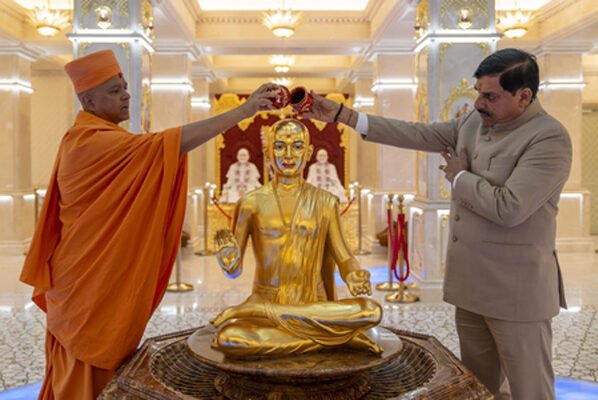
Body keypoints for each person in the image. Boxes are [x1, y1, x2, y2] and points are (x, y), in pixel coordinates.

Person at [300, 48, 571, 400]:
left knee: (530, 390)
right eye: (478, 92)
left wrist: (459, 178)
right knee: (478, 387)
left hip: (517, 293)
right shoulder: (474, 122)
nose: (479, 103)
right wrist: (345, 116)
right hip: (470, 288)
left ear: (524, 96)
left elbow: (510, 208)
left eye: (490, 96)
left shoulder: (548, 137)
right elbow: (419, 134)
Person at [19, 49, 279, 400]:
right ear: (88, 100)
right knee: (83, 370)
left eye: (125, 87)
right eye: (115, 91)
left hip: (94, 280)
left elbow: (157, 151)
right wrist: (244, 111)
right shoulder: (89, 142)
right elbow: (168, 145)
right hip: (85, 285)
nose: (126, 95)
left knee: (101, 367)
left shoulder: (96, 138)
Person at [211, 118, 382, 358]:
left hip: (313, 305)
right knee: (230, 339)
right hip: (272, 300)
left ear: (309, 152)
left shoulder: (325, 201)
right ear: (268, 152)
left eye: (297, 146)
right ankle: (334, 338)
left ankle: (262, 312)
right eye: (280, 146)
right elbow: (234, 271)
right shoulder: (250, 203)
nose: (289, 155)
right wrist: (228, 262)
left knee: (371, 311)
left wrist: (353, 274)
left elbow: (344, 257)